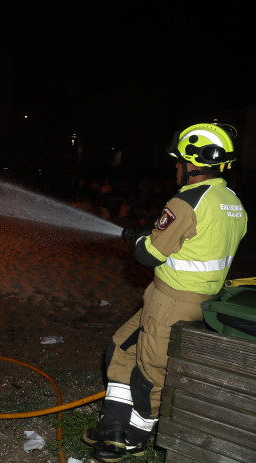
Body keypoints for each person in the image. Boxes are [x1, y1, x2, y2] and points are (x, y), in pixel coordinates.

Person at [81, 122, 249, 462]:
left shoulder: (187, 200)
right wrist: (155, 232)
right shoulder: (232, 203)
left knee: (149, 372)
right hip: (199, 302)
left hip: (170, 302)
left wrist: (142, 237)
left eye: (178, 161)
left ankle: (134, 439)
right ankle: (113, 427)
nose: (175, 167)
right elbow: (194, 244)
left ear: (193, 163)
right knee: (119, 347)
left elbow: (148, 254)